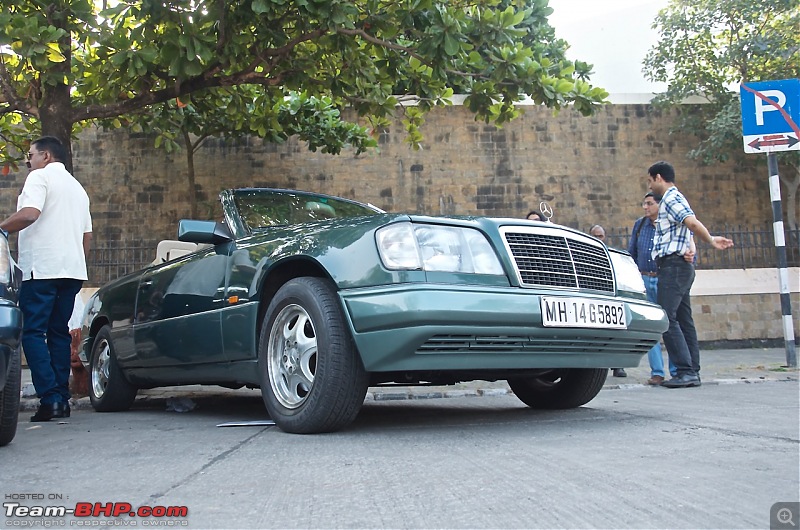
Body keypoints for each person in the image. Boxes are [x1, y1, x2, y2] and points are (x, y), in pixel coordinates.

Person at [0, 136, 92, 421]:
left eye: (31, 155)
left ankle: (50, 399)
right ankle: (61, 401)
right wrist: (76, 263)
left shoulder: (39, 178)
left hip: (41, 270)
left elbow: (30, 214)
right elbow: (87, 236)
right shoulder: (78, 189)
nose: (29, 161)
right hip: (72, 271)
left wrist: (1, 228)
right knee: (57, 333)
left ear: (47, 156)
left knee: (32, 332)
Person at [646, 161, 733, 388]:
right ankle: (691, 370)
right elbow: (685, 230)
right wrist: (693, 246)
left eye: (649, 180)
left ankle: (686, 371)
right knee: (684, 320)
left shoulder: (672, 199)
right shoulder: (673, 199)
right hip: (678, 266)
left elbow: (691, 223)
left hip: (674, 267)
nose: (649, 185)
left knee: (667, 318)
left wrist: (711, 240)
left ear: (658, 178)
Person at [628, 192, 669, 385]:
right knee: (651, 327)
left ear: (659, 205)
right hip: (644, 278)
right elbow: (632, 253)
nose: (646, 207)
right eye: (644, 204)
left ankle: (677, 369)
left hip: (664, 279)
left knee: (671, 325)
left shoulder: (669, 224)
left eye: (650, 204)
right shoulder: (640, 226)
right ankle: (657, 372)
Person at [589, 224, 627, 377]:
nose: (599, 239)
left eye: (601, 236)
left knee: (617, 334)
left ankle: (618, 365)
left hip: (611, 298)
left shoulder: (612, 254)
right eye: (596, 236)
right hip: (593, 299)